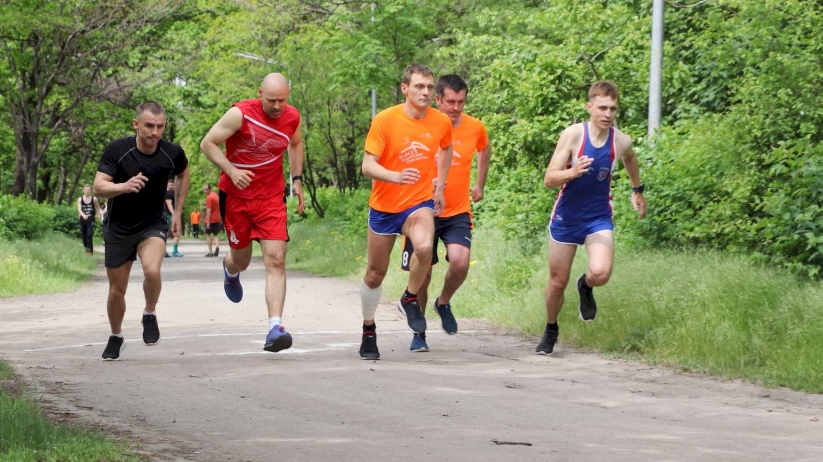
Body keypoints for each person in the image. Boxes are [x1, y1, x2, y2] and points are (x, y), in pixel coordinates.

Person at [537, 81, 647, 355]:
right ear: (590, 108)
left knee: (601, 272)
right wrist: (572, 172)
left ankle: (585, 286)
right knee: (556, 282)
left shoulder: (621, 141)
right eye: (602, 108)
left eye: (612, 108)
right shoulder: (573, 135)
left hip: (598, 217)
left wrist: (637, 190)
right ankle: (551, 328)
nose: (608, 114)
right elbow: (549, 179)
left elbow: (631, 159)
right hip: (566, 217)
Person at [200, 73, 306, 353]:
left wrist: (297, 180)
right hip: (236, 198)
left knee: (276, 259)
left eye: (282, 100)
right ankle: (229, 269)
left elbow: (295, 143)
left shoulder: (292, 117)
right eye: (271, 100)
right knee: (242, 260)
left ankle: (275, 328)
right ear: (260, 93)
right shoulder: (240, 114)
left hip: (271, 198)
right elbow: (207, 143)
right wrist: (232, 171)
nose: (276, 106)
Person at [358, 63, 453, 360]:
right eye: (419, 87)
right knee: (375, 274)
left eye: (429, 87)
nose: (425, 92)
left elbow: (447, 149)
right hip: (385, 207)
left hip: (418, 203)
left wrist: (439, 188)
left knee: (425, 246)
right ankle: (369, 329)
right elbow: (367, 165)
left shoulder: (440, 122)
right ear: (405, 89)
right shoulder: (385, 120)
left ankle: (410, 297)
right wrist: (394, 176)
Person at [399, 74, 491, 352]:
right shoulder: (422, 126)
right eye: (450, 101)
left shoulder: (475, 127)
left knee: (461, 262)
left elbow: (484, 150)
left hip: (457, 210)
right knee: (422, 274)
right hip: (422, 209)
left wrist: (479, 183)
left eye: (460, 102)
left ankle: (443, 302)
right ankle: (420, 332)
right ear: (438, 99)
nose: (455, 108)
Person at [93, 101, 190, 360]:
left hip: (152, 223)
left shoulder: (172, 152)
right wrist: (123, 187)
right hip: (119, 227)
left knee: (152, 270)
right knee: (117, 290)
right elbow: (98, 187)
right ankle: (116, 336)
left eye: (159, 126)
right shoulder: (117, 150)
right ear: (136, 124)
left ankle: (149, 313)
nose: (154, 132)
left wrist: (177, 212)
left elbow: (184, 172)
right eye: (149, 126)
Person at [77, 185, 101, 255]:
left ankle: (90, 251)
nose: (87, 191)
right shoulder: (80, 199)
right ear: (83, 191)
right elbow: (79, 208)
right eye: (86, 190)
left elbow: (98, 207)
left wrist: (97, 214)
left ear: (90, 191)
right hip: (83, 219)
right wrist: (83, 214)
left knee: (89, 234)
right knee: (84, 235)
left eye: (88, 190)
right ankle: (86, 247)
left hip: (91, 219)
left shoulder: (94, 199)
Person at [164, 178, 183, 257]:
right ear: (167, 184)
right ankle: (174, 251)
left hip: (166, 215)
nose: (173, 186)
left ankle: (165, 252)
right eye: (171, 185)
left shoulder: (168, 193)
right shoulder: (168, 193)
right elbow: (169, 204)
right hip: (169, 215)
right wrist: (174, 214)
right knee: (176, 232)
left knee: (166, 233)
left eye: (173, 185)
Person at [202, 183, 222, 257]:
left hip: (210, 220)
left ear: (209, 189)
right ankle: (217, 246)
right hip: (217, 219)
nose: (204, 191)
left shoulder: (209, 198)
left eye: (206, 190)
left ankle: (210, 252)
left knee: (208, 235)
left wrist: (207, 222)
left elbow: (209, 210)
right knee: (215, 235)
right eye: (203, 190)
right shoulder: (215, 195)